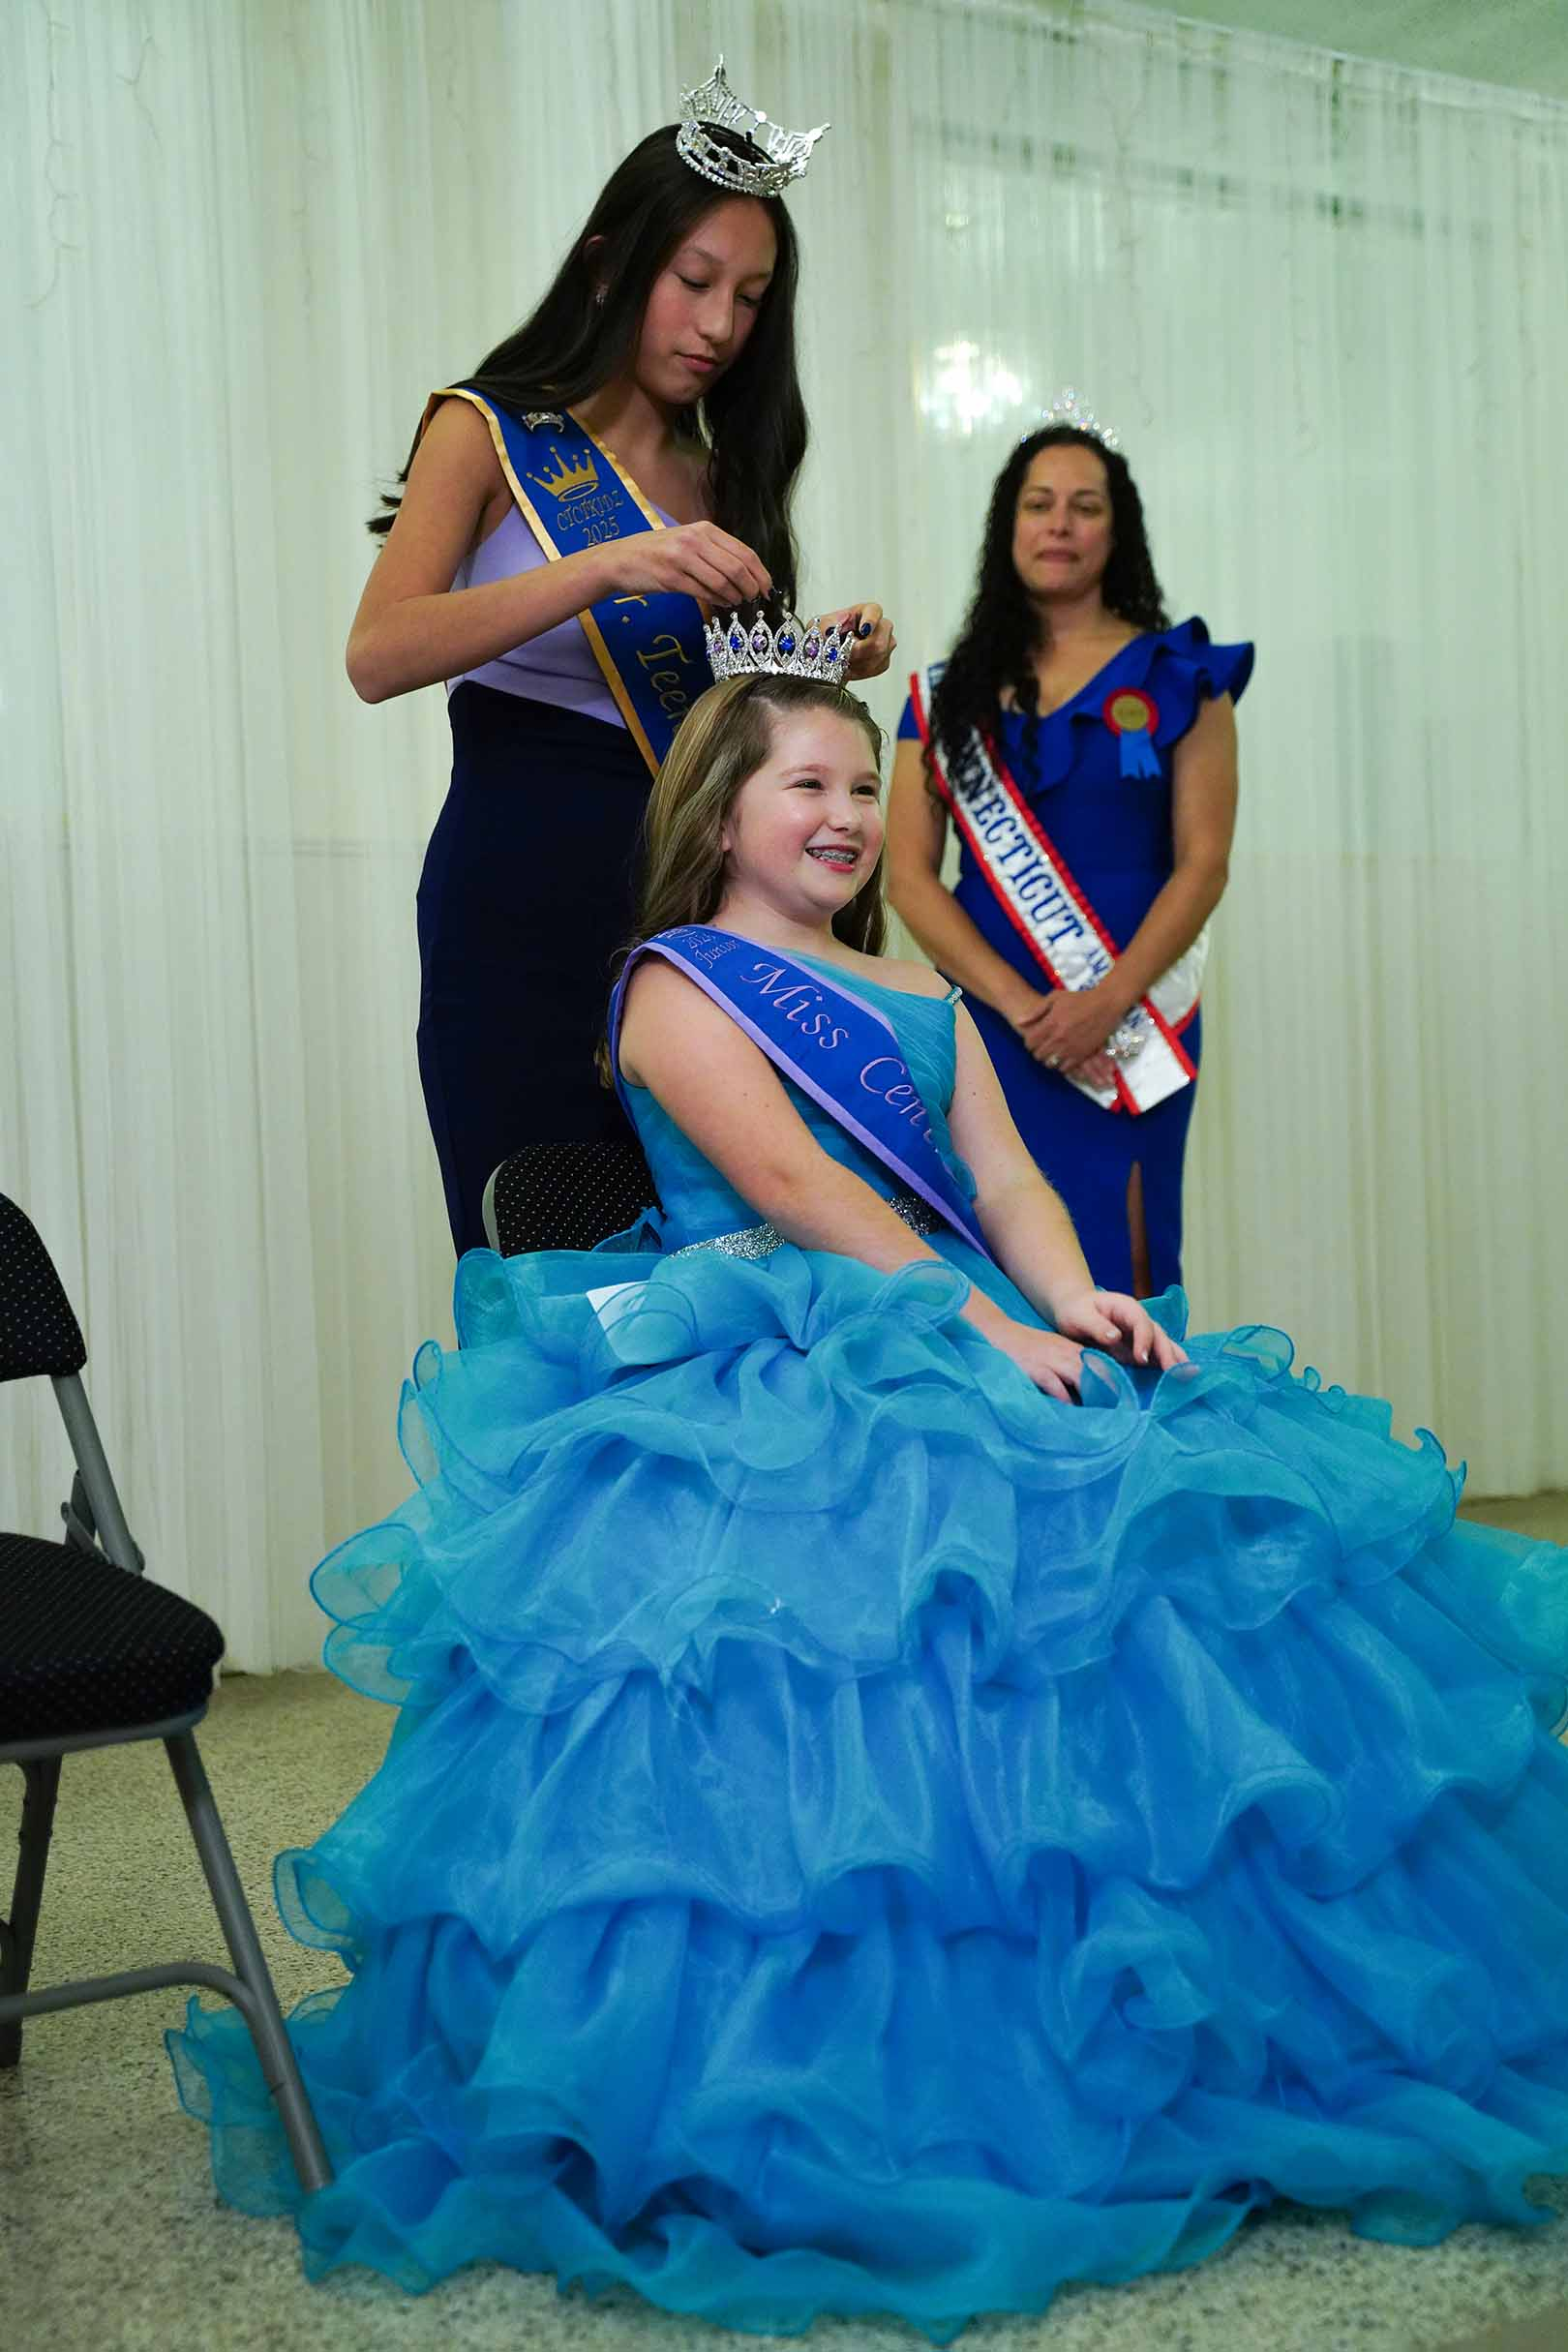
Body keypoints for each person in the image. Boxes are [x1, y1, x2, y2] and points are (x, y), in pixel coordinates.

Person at [170, 634, 1568, 2337]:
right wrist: (985, 1327)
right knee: (864, 1652)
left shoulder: (925, 999)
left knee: (1176, 1532)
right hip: (774, 1356)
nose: (844, 815)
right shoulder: (675, 983)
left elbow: (1006, 1181)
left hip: (965, 1311)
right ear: (722, 810)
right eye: (807, 785)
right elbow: (795, 1188)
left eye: (862, 786)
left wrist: (1070, 1298)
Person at [345, 60, 895, 1252]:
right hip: (522, 895)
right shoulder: (490, 431)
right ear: (608, 264)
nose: (719, 327)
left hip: (693, 903)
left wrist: (819, 661)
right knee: (542, 1252)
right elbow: (379, 652)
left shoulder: (727, 476)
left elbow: (725, 713)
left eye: (750, 298)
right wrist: (606, 565)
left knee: (713, 1259)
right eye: (693, 281)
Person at [889, 409, 1251, 1297]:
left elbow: (1204, 863)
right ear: (1006, 525)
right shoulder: (945, 694)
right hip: (993, 1021)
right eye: (1038, 503)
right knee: (998, 1253)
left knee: (1126, 1259)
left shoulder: (1185, 676)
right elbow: (907, 878)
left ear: (1116, 531)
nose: (1060, 524)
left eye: (1085, 506)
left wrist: (1104, 1006)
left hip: (1132, 1016)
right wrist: (1027, 1012)